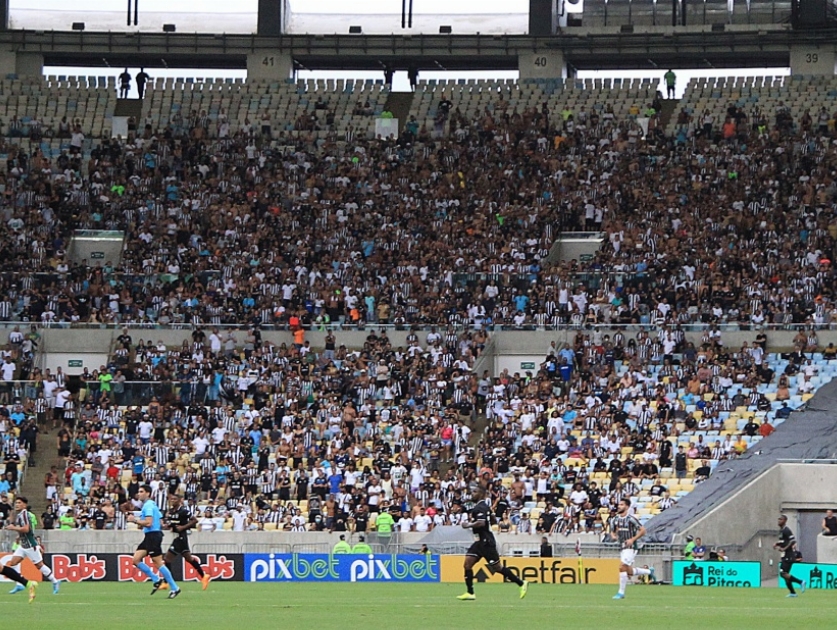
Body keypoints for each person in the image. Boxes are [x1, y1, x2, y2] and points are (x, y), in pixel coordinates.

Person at [457, 486, 527, 601]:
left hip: (486, 542)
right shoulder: (485, 507)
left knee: (497, 567)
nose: (472, 494)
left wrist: (468, 525)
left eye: (475, 492)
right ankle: (470, 592)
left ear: (481, 494)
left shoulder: (479, 508)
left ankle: (521, 583)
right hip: (479, 542)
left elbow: (481, 523)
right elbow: (493, 520)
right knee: (467, 564)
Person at [127, 484, 181, 598]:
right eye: (139, 491)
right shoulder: (150, 505)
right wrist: (141, 524)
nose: (139, 493)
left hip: (153, 536)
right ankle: (156, 579)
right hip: (149, 536)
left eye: (141, 491)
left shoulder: (149, 506)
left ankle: (174, 587)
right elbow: (160, 520)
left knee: (158, 563)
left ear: (147, 493)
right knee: (136, 560)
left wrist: (134, 520)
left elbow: (149, 522)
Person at [153, 494, 209, 593]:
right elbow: (171, 523)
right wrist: (167, 525)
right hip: (178, 537)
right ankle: (204, 576)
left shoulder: (184, 511)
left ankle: (166, 583)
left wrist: (183, 527)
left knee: (167, 559)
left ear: (180, 501)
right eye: (172, 499)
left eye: (175, 499)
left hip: (180, 537)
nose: (173, 501)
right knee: (189, 559)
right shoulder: (170, 512)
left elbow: (194, 520)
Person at [2, 496, 54, 602]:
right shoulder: (20, 515)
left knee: (40, 565)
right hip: (24, 545)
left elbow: (27, 529)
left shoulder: (25, 514)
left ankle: (54, 581)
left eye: (19, 503)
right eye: (16, 503)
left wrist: (14, 528)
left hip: (30, 545)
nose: (16, 504)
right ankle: (24, 583)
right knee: (12, 562)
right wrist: (18, 535)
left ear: (24, 505)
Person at [609, 498, 655, 600]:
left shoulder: (631, 519)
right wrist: (613, 536)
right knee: (628, 571)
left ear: (627, 507)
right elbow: (612, 531)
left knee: (621, 567)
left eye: (621, 504)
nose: (619, 506)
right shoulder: (615, 519)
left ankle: (621, 593)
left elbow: (643, 530)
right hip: (622, 547)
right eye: (619, 504)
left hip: (631, 547)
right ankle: (649, 572)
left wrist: (632, 539)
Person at [774, 514, 805, 597]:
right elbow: (783, 541)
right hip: (785, 555)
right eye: (778, 519)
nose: (779, 520)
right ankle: (792, 593)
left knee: (783, 573)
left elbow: (793, 541)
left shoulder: (787, 530)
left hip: (789, 555)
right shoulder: (781, 531)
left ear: (785, 521)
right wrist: (777, 544)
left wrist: (784, 549)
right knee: (785, 575)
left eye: (781, 519)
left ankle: (801, 582)